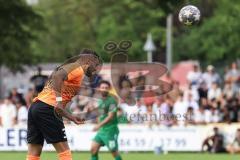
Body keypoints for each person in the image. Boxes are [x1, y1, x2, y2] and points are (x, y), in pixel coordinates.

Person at [26, 49, 102, 160]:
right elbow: (58, 76)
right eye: (96, 65)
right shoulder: (77, 69)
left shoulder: (73, 69)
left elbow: (59, 107)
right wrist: (59, 101)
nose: (96, 69)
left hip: (37, 107)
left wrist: (71, 117)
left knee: (34, 152)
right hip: (47, 109)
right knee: (65, 153)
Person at [91, 80, 122, 160]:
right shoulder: (100, 100)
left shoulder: (112, 101)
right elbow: (100, 114)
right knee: (93, 149)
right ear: (99, 89)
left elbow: (110, 116)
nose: (104, 89)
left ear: (109, 89)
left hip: (110, 130)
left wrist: (98, 125)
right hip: (102, 130)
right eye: (102, 87)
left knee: (114, 152)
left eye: (106, 88)